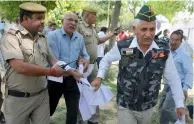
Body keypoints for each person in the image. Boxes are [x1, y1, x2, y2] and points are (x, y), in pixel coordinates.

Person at [91, 5, 185, 124]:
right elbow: (106, 59)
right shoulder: (124, 46)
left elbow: (173, 77)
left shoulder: (163, 50)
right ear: (135, 28)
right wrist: (100, 77)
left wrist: (179, 104)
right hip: (126, 105)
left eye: (152, 29)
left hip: (148, 106)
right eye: (144, 29)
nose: (148, 34)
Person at [0, 2, 82, 124]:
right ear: (25, 19)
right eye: (39, 18)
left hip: (41, 96)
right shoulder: (11, 37)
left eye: (43, 18)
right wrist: (52, 72)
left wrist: (71, 71)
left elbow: (54, 61)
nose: (43, 21)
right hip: (18, 99)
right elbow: (20, 67)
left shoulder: (42, 38)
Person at [77, 6, 119, 124]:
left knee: (95, 92)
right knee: (81, 94)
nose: (96, 17)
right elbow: (74, 45)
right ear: (87, 15)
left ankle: (93, 120)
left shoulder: (92, 29)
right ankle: (79, 119)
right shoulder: (79, 27)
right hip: (82, 67)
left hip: (93, 66)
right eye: (94, 15)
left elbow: (98, 41)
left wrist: (112, 34)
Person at [47, 12, 90, 124]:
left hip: (72, 80)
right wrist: (73, 72)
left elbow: (85, 54)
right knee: (48, 111)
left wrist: (85, 62)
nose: (73, 23)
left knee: (73, 113)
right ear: (62, 21)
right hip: (56, 79)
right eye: (70, 20)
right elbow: (55, 61)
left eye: (76, 21)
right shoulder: (52, 36)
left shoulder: (79, 37)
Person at [159, 30, 193, 124]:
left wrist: (185, 89)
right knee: (161, 108)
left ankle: (184, 120)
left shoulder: (185, 55)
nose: (173, 42)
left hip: (179, 86)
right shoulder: (167, 52)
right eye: (172, 39)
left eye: (176, 40)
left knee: (167, 109)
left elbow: (189, 73)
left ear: (181, 41)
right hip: (167, 84)